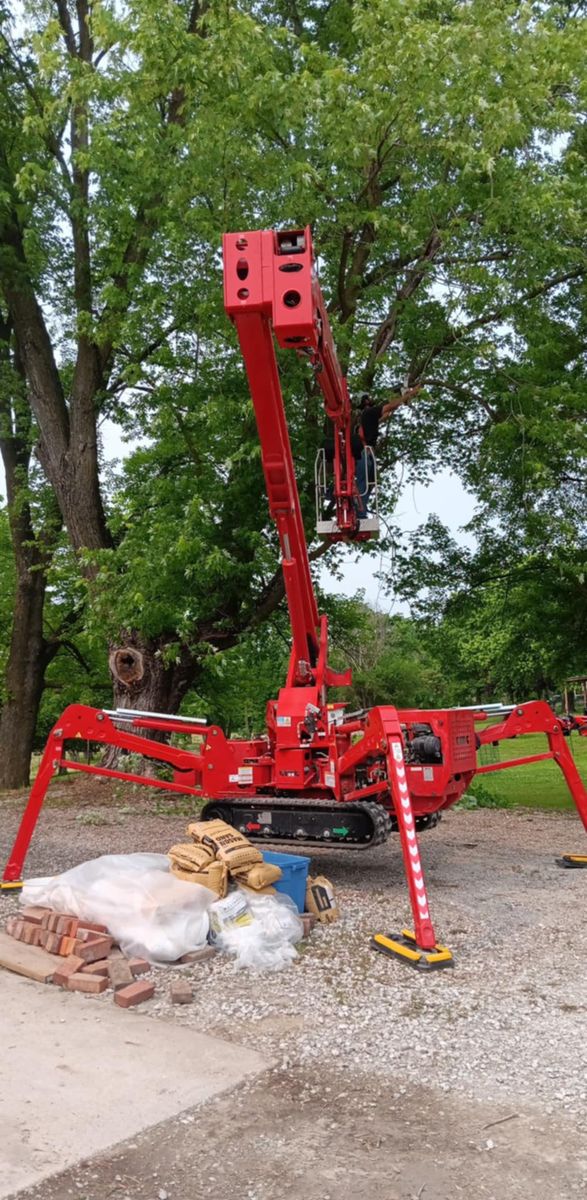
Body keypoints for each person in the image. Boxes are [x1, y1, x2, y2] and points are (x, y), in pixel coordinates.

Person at [354, 383, 421, 517]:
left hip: (368, 454)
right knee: (363, 484)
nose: (371, 399)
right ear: (365, 401)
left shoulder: (367, 416)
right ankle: (359, 515)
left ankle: (360, 512)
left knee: (368, 484)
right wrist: (410, 394)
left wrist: (401, 400)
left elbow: (387, 414)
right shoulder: (369, 412)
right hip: (364, 454)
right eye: (369, 397)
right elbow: (390, 407)